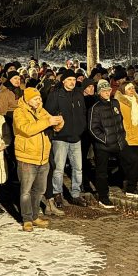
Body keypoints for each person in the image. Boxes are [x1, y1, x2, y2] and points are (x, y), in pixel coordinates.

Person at [13, 87, 62, 231]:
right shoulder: (19, 112)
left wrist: (59, 123)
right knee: (26, 191)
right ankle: (27, 218)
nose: (39, 100)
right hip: (27, 157)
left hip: (43, 157)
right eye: (35, 98)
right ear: (28, 100)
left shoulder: (42, 110)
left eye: (39, 98)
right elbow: (27, 129)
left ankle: (35, 216)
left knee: (40, 190)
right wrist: (48, 122)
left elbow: (53, 126)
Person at [88, 79, 138, 205]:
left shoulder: (115, 103)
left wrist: (122, 136)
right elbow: (92, 128)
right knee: (102, 171)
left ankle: (131, 189)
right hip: (103, 146)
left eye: (108, 90)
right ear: (99, 92)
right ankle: (103, 197)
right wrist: (106, 139)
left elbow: (120, 121)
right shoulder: (95, 107)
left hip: (119, 142)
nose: (107, 92)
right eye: (104, 90)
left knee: (133, 159)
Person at [43, 68, 87, 207]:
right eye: (69, 80)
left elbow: (83, 113)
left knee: (78, 168)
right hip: (60, 137)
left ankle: (75, 194)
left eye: (74, 80)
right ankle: (57, 194)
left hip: (76, 137)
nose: (72, 82)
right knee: (59, 168)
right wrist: (55, 130)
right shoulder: (55, 95)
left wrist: (81, 128)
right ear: (63, 81)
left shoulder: (79, 95)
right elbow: (48, 114)